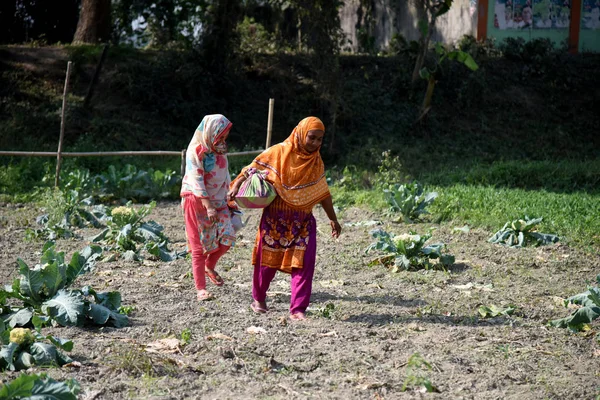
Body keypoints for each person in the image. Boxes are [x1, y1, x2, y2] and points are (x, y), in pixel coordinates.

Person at [228, 116, 342, 320]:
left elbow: (323, 192)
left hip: (303, 222)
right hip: (275, 220)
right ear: (301, 134)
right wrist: (236, 185)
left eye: (320, 139)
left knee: (304, 264)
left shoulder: (316, 161)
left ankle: (298, 309)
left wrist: (332, 219)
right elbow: (252, 167)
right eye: (312, 138)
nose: (316, 143)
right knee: (267, 262)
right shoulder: (279, 151)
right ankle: (259, 298)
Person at [181, 114, 236, 301]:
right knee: (198, 247)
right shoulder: (195, 151)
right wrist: (207, 205)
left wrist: (229, 195)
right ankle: (201, 289)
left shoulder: (219, 150)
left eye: (225, 137)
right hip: (195, 200)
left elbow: (225, 174)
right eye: (220, 136)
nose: (222, 140)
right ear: (210, 132)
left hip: (218, 200)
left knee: (228, 237)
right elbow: (196, 178)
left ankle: (209, 266)